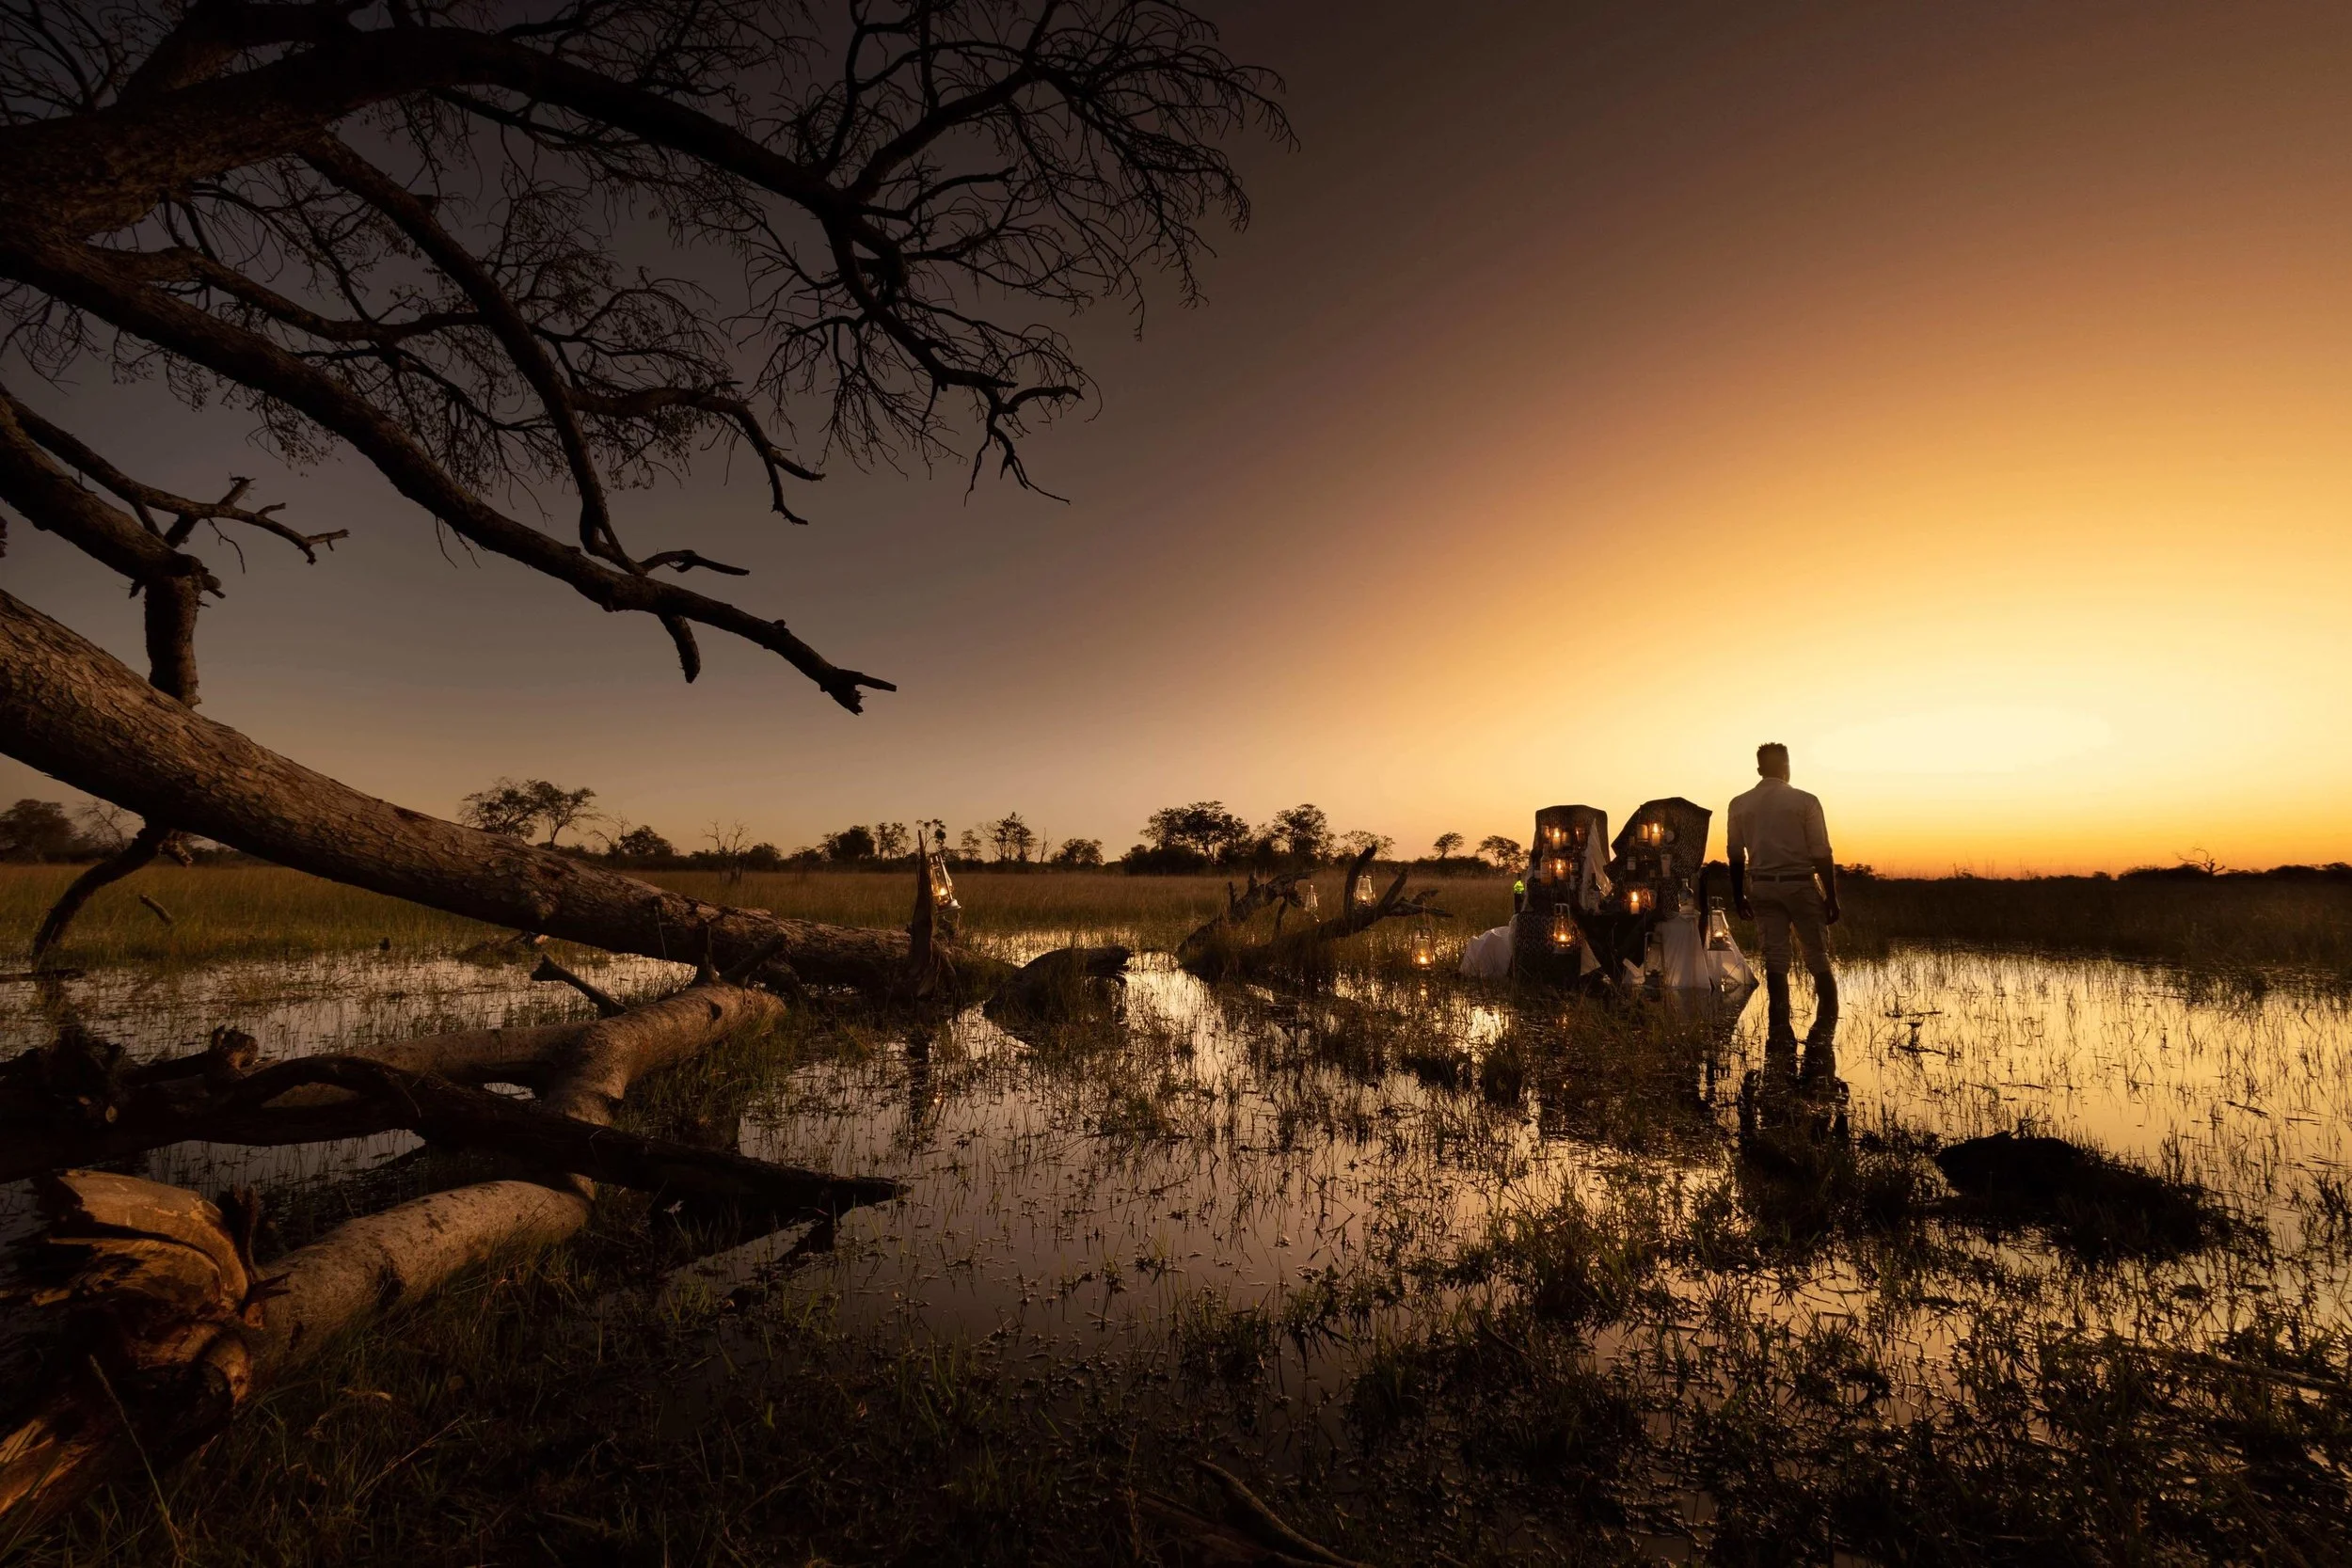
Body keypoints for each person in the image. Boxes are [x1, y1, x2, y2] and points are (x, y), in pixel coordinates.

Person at [1726, 742, 1839, 1056]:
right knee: (1817, 958)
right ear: (1787, 767)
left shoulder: (1739, 804)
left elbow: (1735, 855)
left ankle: (1779, 1048)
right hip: (1800, 884)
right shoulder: (1806, 801)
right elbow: (1821, 853)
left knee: (1775, 961)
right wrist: (1831, 897)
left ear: (1760, 769)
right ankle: (1823, 1047)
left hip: (1761, 886)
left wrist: (1739, 896)